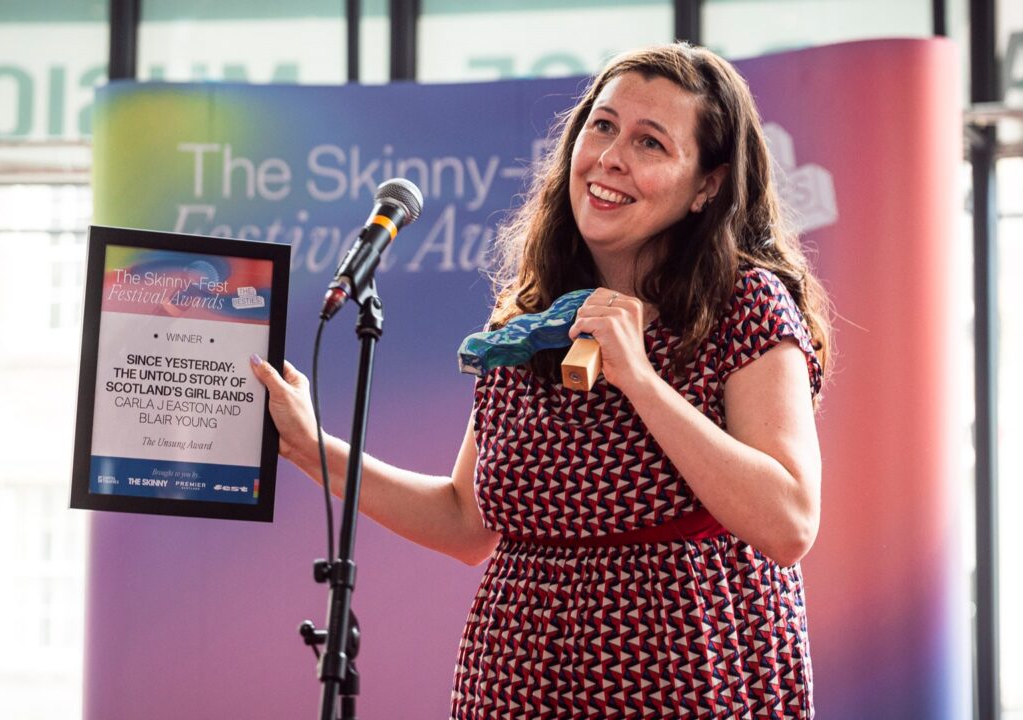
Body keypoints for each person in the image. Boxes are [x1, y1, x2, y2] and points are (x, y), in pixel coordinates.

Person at [252, 42, 831, 719]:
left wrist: (640, 380)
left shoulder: (744, 303)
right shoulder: (530, 319)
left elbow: (789, 522)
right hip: (517, 687)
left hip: (692, 685)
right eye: (603, 125)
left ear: (707, 185)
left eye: (651, 143)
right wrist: (308, 446)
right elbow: (465, 521)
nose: (612, 157)